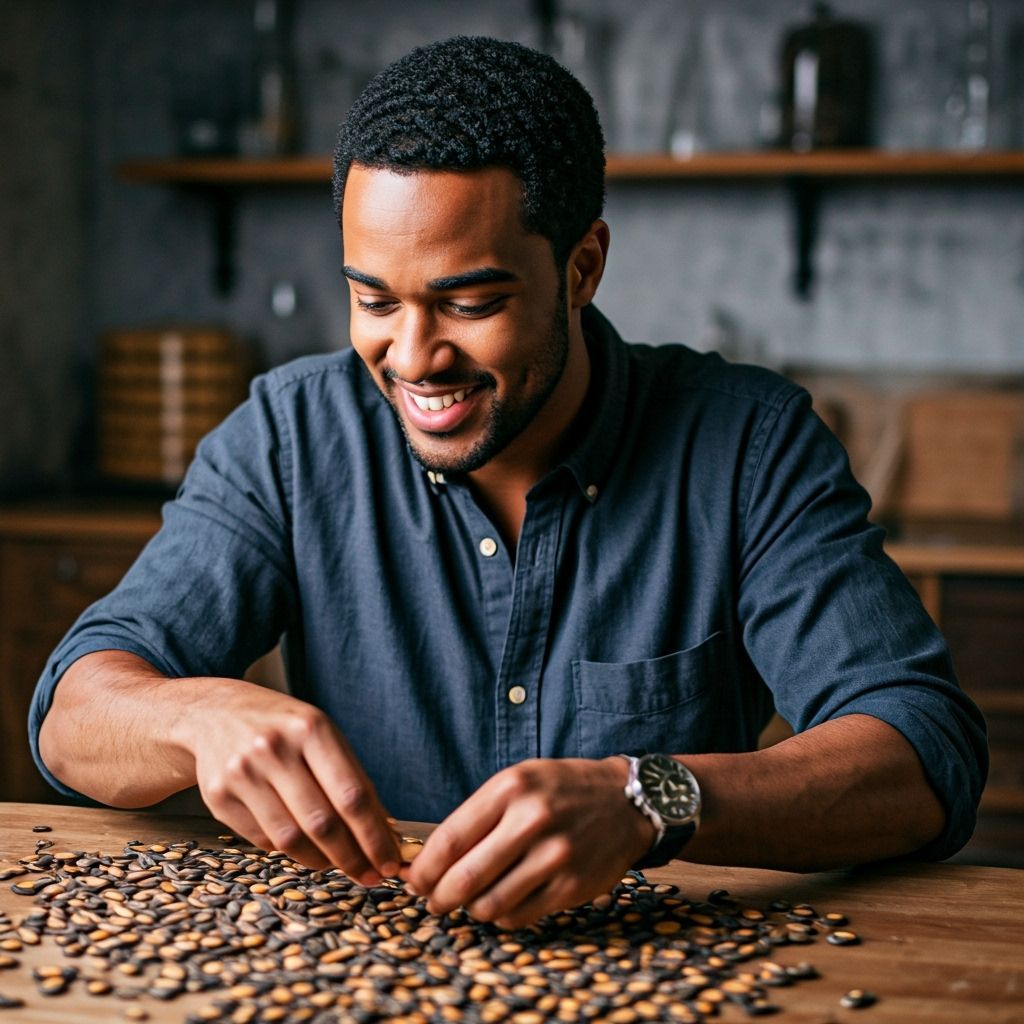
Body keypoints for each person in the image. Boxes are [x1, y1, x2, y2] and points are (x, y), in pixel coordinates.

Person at [32, 36, 986, 932]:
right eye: (374, 299)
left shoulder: (748, 442)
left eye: (470, 303)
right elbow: (73, 717)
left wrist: (647, 798)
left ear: (582, 268)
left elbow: (922, 750)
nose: (413, 357)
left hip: (656, 966)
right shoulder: (289, 436)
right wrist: (195, 717)